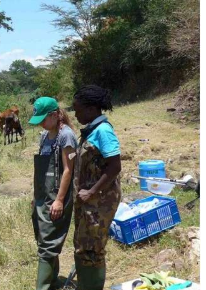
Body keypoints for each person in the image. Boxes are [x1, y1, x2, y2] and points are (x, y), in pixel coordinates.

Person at [71, 85, 122, 290]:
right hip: (88, 201)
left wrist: (92, 191)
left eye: (78, 109)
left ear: (91, 109)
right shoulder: (91, 130)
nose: (75, 114)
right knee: (83, 246)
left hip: (99, 201)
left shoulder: (103, 131)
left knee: (92, 250)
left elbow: (115, 166)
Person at [28, 97, 77, 290]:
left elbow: (68, 170)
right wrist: (36, 198)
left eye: (43, 119)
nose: (41, 123)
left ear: (55, 115)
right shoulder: (44, 136)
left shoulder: (66, 136)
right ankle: (54, 280)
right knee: (42, 238)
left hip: (57, 196)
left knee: (48, 245)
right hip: (42, 196)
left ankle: (43, 287)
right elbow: (41, 173)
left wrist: (59, 200)